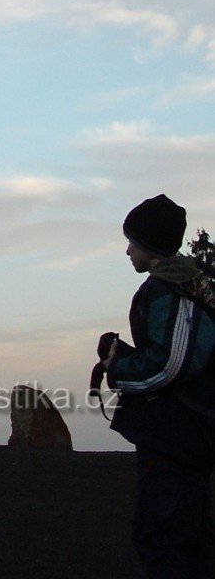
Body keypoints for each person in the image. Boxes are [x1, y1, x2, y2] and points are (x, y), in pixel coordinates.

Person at [103, 193, 215, 579]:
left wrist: (117, 369)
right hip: (184, 431)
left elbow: (170, 364)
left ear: (150, 247)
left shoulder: (168, 289)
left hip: (176, 434)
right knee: (188, 535)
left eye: (132, 242)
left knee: (164, 535)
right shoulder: (184, 285)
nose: (128, 250)